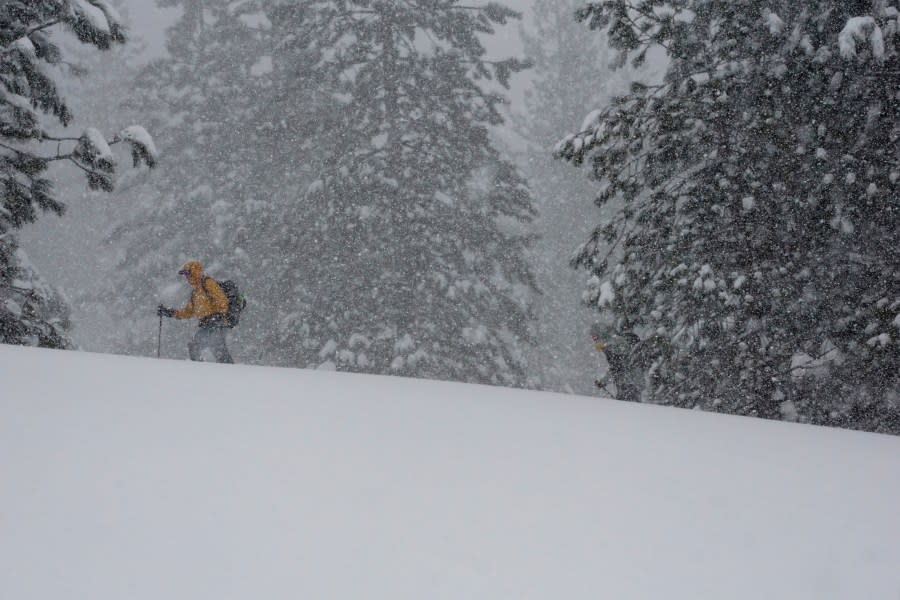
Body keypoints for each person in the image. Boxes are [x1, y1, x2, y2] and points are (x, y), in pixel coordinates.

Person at [157, 260, 233, 363]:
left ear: (195, 272)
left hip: (217, 324)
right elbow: (188, 312)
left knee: (215, 348)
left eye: (188, 273)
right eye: (185, 275)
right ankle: (200, 372)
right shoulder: (195, 293)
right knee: (196, 347)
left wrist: (218, 316)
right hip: (207, 325)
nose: (187, 277)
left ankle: (229, 372)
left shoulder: (208, 283)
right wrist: (170, 312)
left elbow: (222, 300)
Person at [591, 322, 640, 402]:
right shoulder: (612, 344)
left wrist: (603, 381)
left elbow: (617, 367)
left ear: (601, 335)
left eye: (595, 337)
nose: (595, 341)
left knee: (629, 406)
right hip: (629, 383)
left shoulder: (614, 345)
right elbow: (616, 368)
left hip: (628, 384)